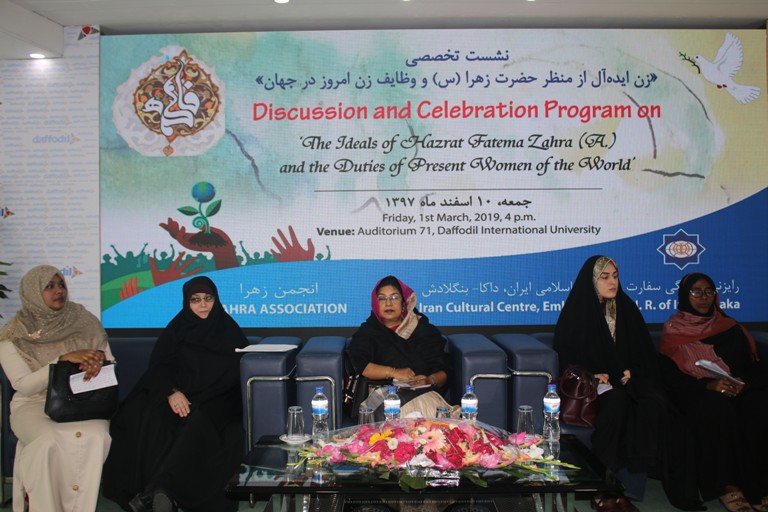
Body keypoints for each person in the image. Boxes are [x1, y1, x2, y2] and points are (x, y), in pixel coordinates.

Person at [553, 256, 701, 512]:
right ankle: (604, 488)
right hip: (593, 387)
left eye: (615, 276)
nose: (612, 282)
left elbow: (644, 354)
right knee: (617, 403)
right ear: (592, 281)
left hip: (628, 382)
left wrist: (634, 371)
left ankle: (626, 490)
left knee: (651, 405)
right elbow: (567, 357)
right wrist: (591, 374)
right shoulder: (578, 311)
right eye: (604, 277)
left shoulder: (627, 308)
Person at [102, 276, 248, 512]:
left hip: (219, 400)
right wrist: (172, 392)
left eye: (208, 298)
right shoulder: (177, 329)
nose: (203, 305)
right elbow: (160, 367)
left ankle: (156, 491)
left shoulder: (229, 331)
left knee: (201, 422)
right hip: (181, 395)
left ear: (216, 300)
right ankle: (160, 492)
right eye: (195, 300)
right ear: (186, 303)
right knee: (147, 416)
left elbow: (234, 377)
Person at [0, 265, 112, 512]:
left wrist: (95, 364)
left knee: (97, 436)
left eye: (61, 284)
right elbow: (23, 386)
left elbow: (109, 362)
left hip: (83, 401)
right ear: (32, 291)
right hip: (33, 404)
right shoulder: (14, 334)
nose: (58, 290)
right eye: (49, 286)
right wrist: (61, 360)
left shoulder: (84, 320)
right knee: (49, 440)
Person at [659, 272, 768, 512]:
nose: (703, 297)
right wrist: (708, 385)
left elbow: (752, 366)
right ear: (684, 296)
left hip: (736, 389)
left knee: (760, 405)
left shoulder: (730, 328)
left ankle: (758, 488)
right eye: (696, 291)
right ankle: (727, 486)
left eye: (709, 291)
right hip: (695, 393)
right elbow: (670, 379)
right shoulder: (673, 332)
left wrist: (743, 383)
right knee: (716, 407)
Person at [346, 275, 452, 418]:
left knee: (427, 415)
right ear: (375, 304)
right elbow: (363, 367)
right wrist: (395, 372)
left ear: (403, 304)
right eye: (382, 298)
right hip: (383, 397)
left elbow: (444, 372)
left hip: (423, 394)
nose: (388, 303)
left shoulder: (424, 330)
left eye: (394, 297)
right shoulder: (367, 333)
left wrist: (429, 380)